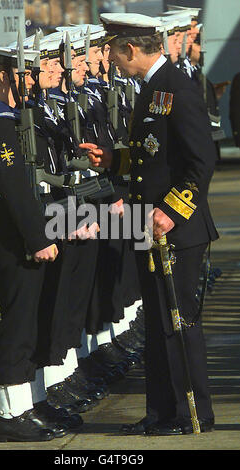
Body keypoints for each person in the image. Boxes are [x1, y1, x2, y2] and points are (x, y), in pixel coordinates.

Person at [88, 12, 219, 436]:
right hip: (151, 229)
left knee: (176, 325)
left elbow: (201, 161)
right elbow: (155, 157)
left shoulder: (176, 88)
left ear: (130, 49)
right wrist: (115, 160)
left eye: (112, 52)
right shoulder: (152, 88)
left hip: (175, 231)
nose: (110, 61)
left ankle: (189, 415)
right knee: (158, 324)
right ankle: (162, 413)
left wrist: (173, 210)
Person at [0, 45, 69, 442]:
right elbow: (14, 188)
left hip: (22, 228)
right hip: (12, 232)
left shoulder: (13, 119)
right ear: (7, 76)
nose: (32, 80)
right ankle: (10, 414)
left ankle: (28, 405)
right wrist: (37, 237)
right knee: (18, 321)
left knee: (31, 318)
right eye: (26, 74)